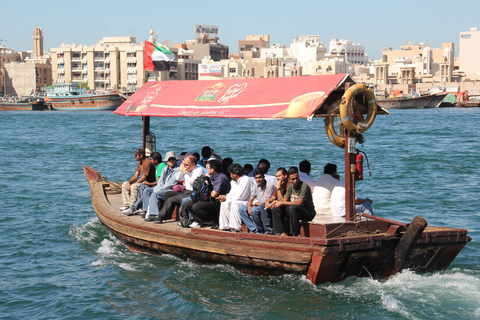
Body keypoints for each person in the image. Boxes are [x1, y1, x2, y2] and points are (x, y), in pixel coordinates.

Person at [125, 151, 179, 218]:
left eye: (173, 159)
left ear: (175, 160)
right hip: (161, 188)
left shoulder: (178, 170)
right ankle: (145, 210)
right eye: (169, 159)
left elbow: (171, 183)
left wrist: (158, 189)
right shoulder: (165, 169)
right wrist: (157, 188)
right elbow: (160, 181)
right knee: (147, 190)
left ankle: (152, 213)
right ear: (167, 160)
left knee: (154, 193)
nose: (171, 161)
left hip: (169, 190)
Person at [156, 155, 204, 223]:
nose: (185, 166)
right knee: (170, 197)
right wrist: (181, 171)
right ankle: (161, 216)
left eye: (186, 164)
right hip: (186, 192)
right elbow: (177, 178)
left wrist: (185, 173)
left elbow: (192, 183)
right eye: (184, 164)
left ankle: (184, 220)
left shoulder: (198, 170)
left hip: (194, 193)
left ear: (193, 164)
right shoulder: (187, 169)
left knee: (183, 199)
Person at [183, 159, 231, 228]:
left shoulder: (220, 178)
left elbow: (214, 194)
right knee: (189, 204)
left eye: (207, 168)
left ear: (213, 169)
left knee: (196, 206)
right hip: (210, 199)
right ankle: (203, 222)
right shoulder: (211, 176)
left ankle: (212, 222)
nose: (206, 169)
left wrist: (206, 187)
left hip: (218, 201)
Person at [270, 167, 315, 236]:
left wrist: (281, 202)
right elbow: (284, 200)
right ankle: (282, 232)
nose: (295, 180)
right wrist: (276, 203)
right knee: (276, 208)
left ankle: (295, 233)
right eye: (293, 179)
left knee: (293, 208)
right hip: (295, 211)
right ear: (289, 179)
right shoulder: (290, 186)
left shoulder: (304, 186)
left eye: (296, 178)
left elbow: (299, 202)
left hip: (307, 212)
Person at [122, 152, 162, 216]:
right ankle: (126, 204)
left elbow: (144, 178)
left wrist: (133, 184)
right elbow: (136, 175)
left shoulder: (147, 163)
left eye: (136, 155)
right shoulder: (139, 163)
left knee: (135, 186)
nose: (135, 157)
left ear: (141, 155)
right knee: (124, 184)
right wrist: (129, 182)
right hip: (146, 182)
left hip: (148, 182)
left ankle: (132, 206)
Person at [218, 163, 254, 232]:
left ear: (235, 174)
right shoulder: (233, 182)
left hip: (247, 201)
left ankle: (236, 227)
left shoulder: (246, 180)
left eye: (231, 173)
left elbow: (241, 196)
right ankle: (225, 226)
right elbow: (232, 193)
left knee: (235, 203)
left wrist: (226, 198)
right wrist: (224, 197)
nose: (230, 175)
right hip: (239, 200)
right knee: (224, 203)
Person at [239, 169, 276, 234]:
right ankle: (253, 229)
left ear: (263, 177)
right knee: (241, 209)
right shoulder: (255, 185)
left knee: (254, 210)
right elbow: (251, 199)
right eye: (256, 178)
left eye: (260, 177)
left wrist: (255, 204)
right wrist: (249, 206)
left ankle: (259, 231)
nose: (258, 180)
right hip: (257, 205)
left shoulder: (269, 186)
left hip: (265, 206)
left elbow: (267, 202)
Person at [264, 167, 288, 234]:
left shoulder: (288, 184)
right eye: (276, 176)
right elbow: (273, 197)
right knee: (263, 206)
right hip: (280, 204)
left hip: (287, 205)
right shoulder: (279, 184)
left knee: (275, 208)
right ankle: (268, 230)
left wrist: (278, 187)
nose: (277, 178)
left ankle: (280, 232)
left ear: (285, 175)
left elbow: (281, 200)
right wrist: (267, 201)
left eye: (279, 176)